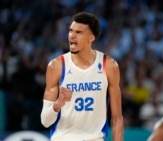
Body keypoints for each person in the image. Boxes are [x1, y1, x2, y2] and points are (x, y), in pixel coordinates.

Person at [40, 11, 123, 141]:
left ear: (91, 38)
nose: (72, 36)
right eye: (70, 31)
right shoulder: (56, 66)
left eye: (78, 32)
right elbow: (45, 121)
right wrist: (57, 104)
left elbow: (117, 118)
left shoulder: (109, 65)